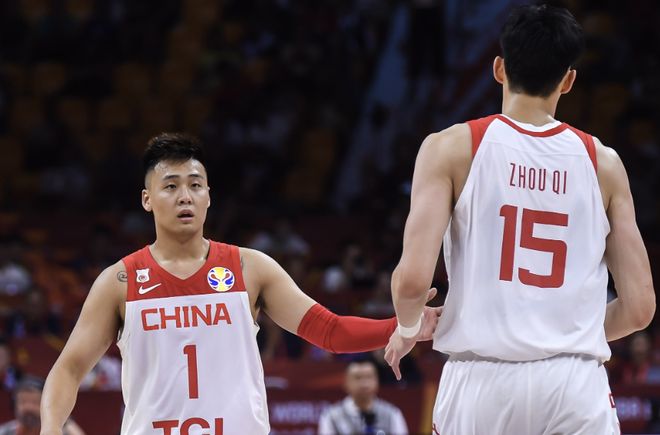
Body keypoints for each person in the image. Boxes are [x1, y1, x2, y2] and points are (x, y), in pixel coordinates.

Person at [40, 133, 442, 435]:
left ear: (209, 196)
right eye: (171, 186)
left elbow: (329, 330)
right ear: (147, 199)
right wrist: (50, 428)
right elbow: (69, 369)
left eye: (195, 185)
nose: (185, 196)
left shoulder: (250, 268)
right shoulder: (120, 281)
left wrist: (403, 326)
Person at [384, 4, 655, 435]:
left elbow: (412, 282)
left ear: (499, 68)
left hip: (480, 381)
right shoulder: (603, 163)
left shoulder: (450, 147)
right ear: (568, 81)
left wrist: (408, 326)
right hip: (574, 384)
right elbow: (639, 309)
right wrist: (562, 333)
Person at [318, 358, 408, 435]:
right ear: (346, 382)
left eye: (369, 377)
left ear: (377, 380)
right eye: (358, 378)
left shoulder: (392, 414)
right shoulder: (331, 416)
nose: (364, 384)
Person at [0, 376, 84, 435]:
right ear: (14, 405)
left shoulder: (60, 432)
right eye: (23, 402)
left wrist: (64, 422)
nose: (29, 408)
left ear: (46, 406)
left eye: (34, 402)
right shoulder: (5, 432)